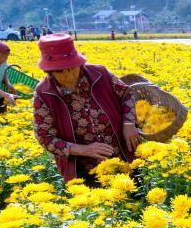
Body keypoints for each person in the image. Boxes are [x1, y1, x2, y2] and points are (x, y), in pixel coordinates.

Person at [31, 33, 141, 185]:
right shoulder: (43, 93)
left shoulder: (100, 73)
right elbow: (44, 136)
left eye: (72, 67)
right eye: (60, 71)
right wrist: (82, 149)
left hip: (125, 154)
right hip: (85, 169)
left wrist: (129, 124)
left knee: (137, 193)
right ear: (49, 71)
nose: (69, 75)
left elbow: (127, 93)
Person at [0, 40, 21, 114]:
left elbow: (4, 71)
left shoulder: (3, 62)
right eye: (0, 56)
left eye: (6, 57)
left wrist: (7, 83)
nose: (3, 59)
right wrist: (7, 95)